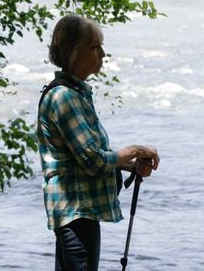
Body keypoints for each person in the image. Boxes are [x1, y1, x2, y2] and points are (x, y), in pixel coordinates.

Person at [37, 14, 160, 271]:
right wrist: (137, 150)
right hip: (75, 215)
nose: (102, 54)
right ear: (73, 52)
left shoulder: (76, 94)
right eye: (95, 47)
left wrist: (131, 165)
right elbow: (94, 161)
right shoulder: (64, 98)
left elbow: (83, 159)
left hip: (81, 214)